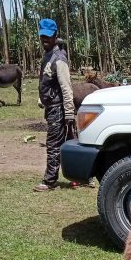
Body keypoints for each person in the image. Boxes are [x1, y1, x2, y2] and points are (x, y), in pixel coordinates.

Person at [34, 19, 92, 191]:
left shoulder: (59, 59)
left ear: (55, 36)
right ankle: (84, 177)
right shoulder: (48, 56)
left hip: (58, 109)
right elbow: (48, 84)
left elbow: (66, 88)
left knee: (53, 145)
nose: (45, 39)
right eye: (42, 36)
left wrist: (68, 113)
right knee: (71, 143)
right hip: (52, 107)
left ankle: (50, 181)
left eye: (48, 36)